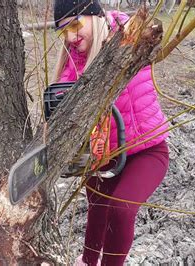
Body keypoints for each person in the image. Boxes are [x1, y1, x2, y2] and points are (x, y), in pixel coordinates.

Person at [52, 1, 170, 265]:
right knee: (97, 205)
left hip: (147, 150)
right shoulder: (72, 67)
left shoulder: (129, 36)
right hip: (103, 154)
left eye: (75, 24)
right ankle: (88, 261)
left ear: (95, 16)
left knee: (121, 208)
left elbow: (146, 36)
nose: (71, 36)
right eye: (64, 31)